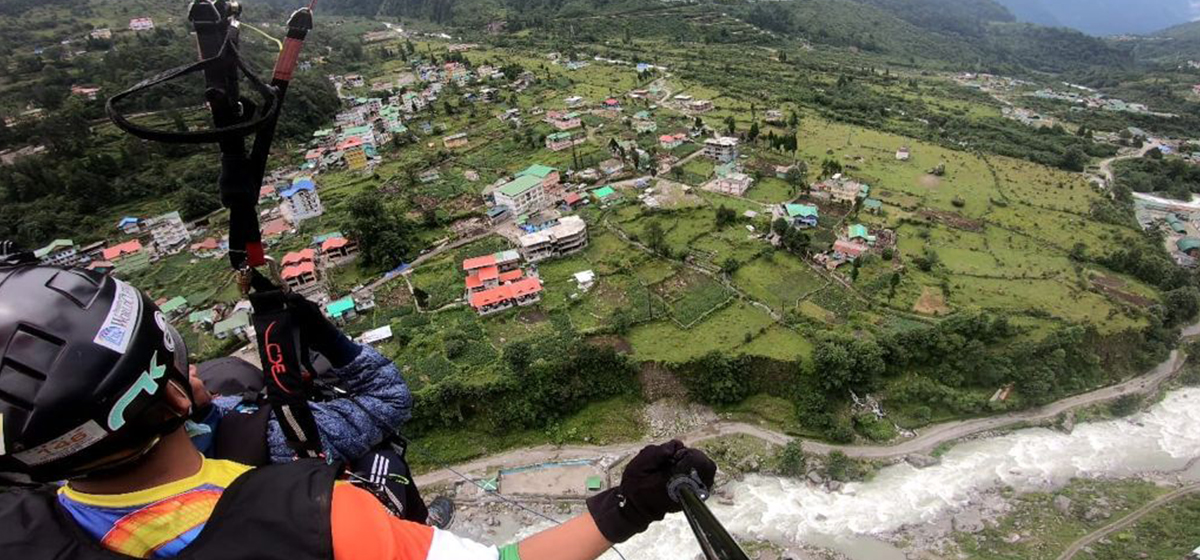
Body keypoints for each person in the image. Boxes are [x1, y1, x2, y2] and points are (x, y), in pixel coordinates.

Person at [0, 265, 717, 560]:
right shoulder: (316, 517)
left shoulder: (19, 530)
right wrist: (628, 503)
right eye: (179, 357)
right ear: (169, 393)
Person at [185, 294, 436, 524]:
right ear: (175, 398)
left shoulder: (167, 496)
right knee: (383, 460)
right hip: (344, 528)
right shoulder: (272, 433)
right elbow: (390, 399)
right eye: (184, 369)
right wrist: (328, 337)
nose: (194, 369)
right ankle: (420, 526)